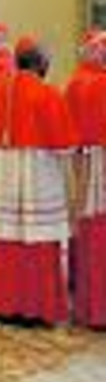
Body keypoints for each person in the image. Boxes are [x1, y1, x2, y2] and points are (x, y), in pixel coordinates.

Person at [0, 36, 77, 324]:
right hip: (37, 176)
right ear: (41, 63)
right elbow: (65, 144)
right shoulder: (47, 94)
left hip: (2, 177)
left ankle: (0, 303)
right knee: (35, 237)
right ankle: (35, 307)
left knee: (4, 236)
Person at [65, 31, 106, 328]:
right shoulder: (93, 82)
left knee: (90, 230)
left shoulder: (77, 81)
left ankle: (89, 304)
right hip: (96, 162)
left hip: (88, 163)